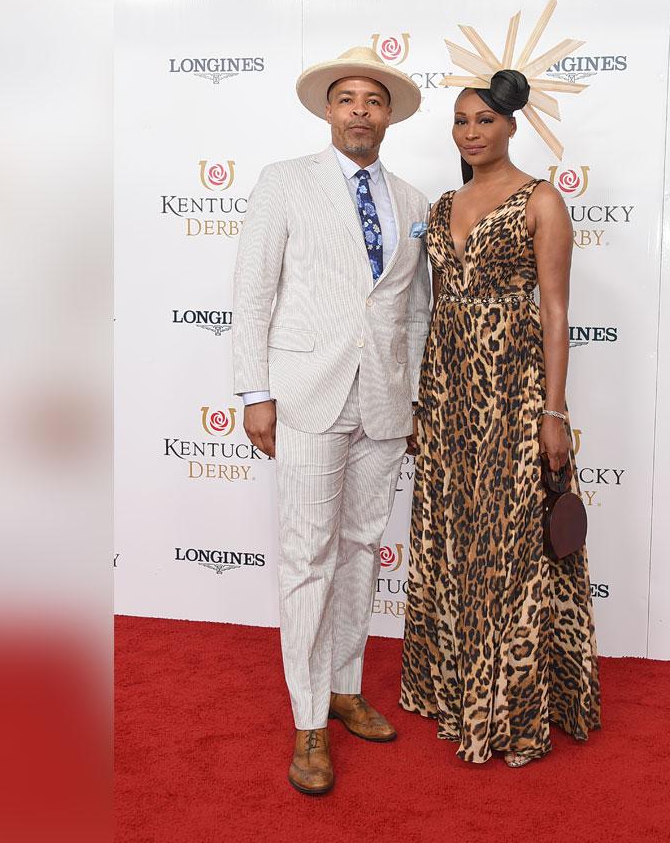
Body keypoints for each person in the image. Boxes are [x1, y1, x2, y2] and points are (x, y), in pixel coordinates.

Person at [230, 46, 432, 796]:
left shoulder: (412, 203)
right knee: (308, 556)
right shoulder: (285, 182)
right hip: (306, 393)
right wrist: (254, 390)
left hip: (382, 403)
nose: (358, 111)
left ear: (388, 116)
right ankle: (308, 719)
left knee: (358, 551)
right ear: (327, 110)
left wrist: (409, 398)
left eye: (371, 101)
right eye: (345, 98)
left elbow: (412, 309)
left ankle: (346, 686)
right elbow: (253, 291)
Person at [398, 70, 601, 767]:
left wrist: (553, 412)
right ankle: (454, 691)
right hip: (449, 395)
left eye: (484, 119)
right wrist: (422, 402)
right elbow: (433, 309)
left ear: (512, 125)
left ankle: (507, 706)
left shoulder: (540, 198)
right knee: (454, 536)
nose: (471, 132)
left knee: (512, 548)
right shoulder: (445, 200)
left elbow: (554, 310)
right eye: (460, 121)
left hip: (514, 396)